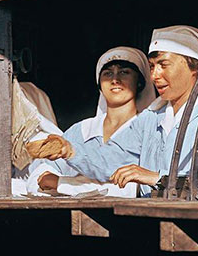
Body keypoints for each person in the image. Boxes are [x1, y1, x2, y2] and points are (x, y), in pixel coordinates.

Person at [59, 25, 198, 192]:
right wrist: (69, 150)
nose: (154, 75)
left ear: (195, 68)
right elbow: (111, 161)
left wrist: (158, 178)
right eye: (151, 66)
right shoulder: (150, 119)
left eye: (163, 65)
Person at [25, 46, 154, 196]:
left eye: (124, 72)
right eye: (107, 73)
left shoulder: (147, 129)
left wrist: (62, 184)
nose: (115, 80)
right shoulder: (82, 130)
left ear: (139, 82)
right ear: (99, 84)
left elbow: (130, 189)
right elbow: (38, 177)